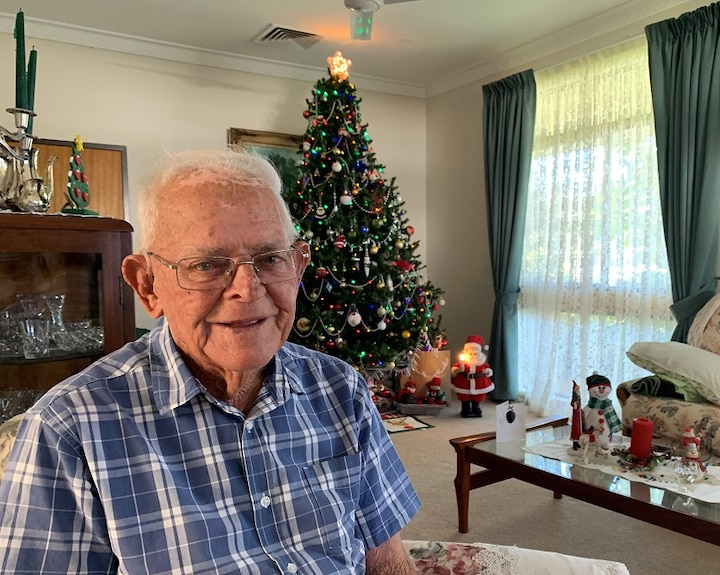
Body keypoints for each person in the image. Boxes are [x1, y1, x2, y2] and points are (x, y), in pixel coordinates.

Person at [0, 148, 420, 574]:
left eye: (270, 258)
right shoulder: (70, 429)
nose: (247, 289)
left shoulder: (339, 388)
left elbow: (387, 561)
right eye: (207, 265)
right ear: (147, 286)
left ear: (297, 265)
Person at [450, 335, 494, 418]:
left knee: (477, 397)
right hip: (464, 382)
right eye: (470, 354)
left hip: (478, 383)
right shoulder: (462, 362)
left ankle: (475, 408)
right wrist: (459, 369)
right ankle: (465, 409)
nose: (472, 356)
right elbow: (454, 369)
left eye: (475, 354)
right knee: (464, 396)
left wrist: (487, 371)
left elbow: (487, 369)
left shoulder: (481, 363)